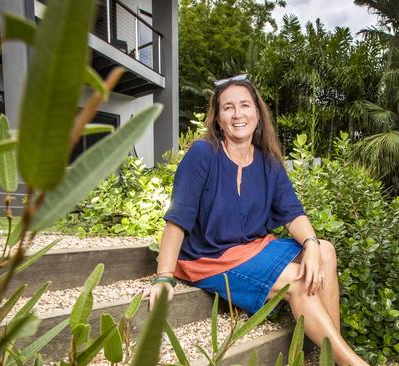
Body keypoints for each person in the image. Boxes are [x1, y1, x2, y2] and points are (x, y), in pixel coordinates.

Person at [143, 74, 368, 366]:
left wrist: (311, 244)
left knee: (325, 251)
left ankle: (333, 358)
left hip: (254, 248)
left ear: (258, 114)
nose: (238, 114)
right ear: (218, 119)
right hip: (211, 257)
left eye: (245, 105)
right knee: (297, 283)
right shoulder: (203, 154)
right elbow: (177, 221)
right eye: (228, 108)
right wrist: (164, 278)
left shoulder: (268, 160)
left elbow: (293, 213)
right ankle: (353, 364)